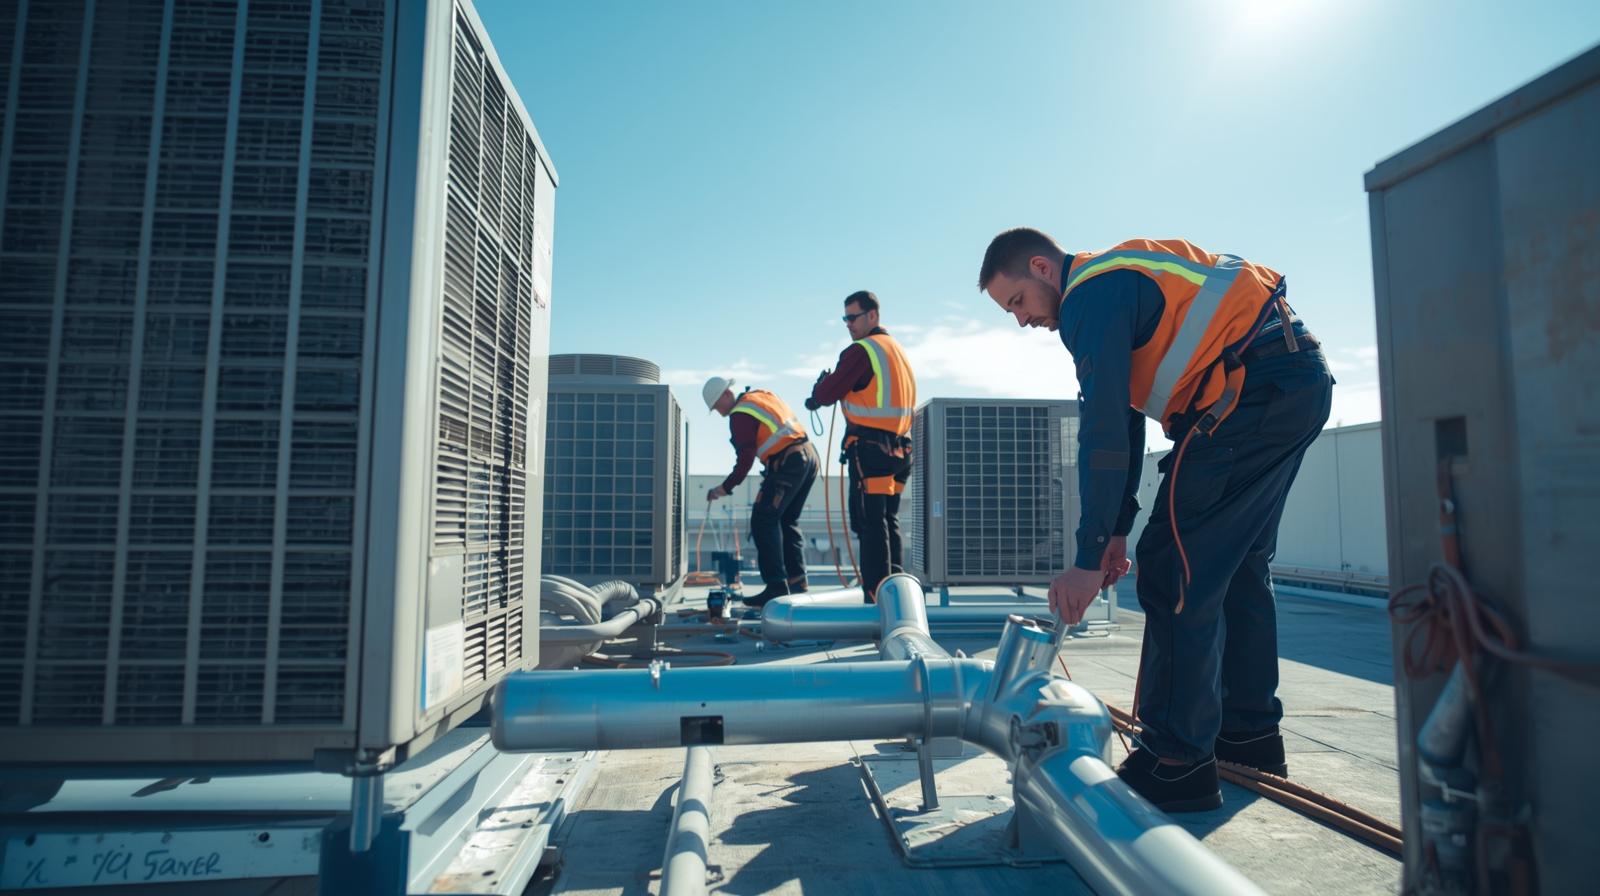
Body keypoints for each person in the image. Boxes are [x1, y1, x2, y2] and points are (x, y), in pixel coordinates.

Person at [977, 230, 1333, 813]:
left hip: (1249, 392)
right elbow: (1129, 412)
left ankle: (1177, 764)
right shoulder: (1116, 279)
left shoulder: (1089, 296)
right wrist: (1116, 529)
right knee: (1237, 564)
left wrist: (1087, 559)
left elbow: (1104, 433)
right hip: (1288, 380)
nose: (1020, 321)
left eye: (1016, 301)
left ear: (1041, 267)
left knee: (1173, 566)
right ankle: (1249, 737)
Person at [806, 291, 917, 602]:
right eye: (845, 319)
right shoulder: (897, 351)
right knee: (887, 520)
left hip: (872, 449)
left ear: (872, 316)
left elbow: (829, 392)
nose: (848, 325)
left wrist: (816, 394)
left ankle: (876, 598)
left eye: (852, 318)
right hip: (900, 451)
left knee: (870, 524)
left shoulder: (862, 351)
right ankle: (896, 595)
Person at [702, 376, 820, 606]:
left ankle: (776, 586)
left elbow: (745, 459)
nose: (718, 411)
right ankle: (797, 581)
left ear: (727, 394)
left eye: (717, 405)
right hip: (807, 456)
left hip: (788, 461)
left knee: (763, 519)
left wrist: (724, 488)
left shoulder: (739, 414)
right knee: (787, 520)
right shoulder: (761, 396)